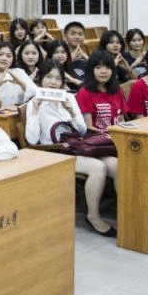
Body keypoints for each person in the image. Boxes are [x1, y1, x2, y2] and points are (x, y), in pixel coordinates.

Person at [25, 60, 117, 237]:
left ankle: (125, 211)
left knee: (115, 164)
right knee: (98, 167)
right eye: (48, 77)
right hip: (56, 152)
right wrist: (35, 110)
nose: (53, 82)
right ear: (40, 79)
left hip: (78, 146)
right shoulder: (34, 103)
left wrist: (72, 112)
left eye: (58, 78)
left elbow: (82, 130)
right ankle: (93, 216)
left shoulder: (68, 98)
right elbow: (32, 139)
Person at [76, 51, 128, 133]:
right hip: (97, 137)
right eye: (98, 67)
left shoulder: (117, 90)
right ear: (91, 70)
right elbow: (89, 127)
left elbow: (121, 120)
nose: (103, 71)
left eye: (107, 68)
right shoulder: (84, 93)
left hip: (117, 134)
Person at [0, 41, 38, 107]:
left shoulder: (19, 72)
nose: (4, 58)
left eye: (9, 56)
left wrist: (22, 84)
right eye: (0, 54)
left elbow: (36, 93)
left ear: (13, 59)